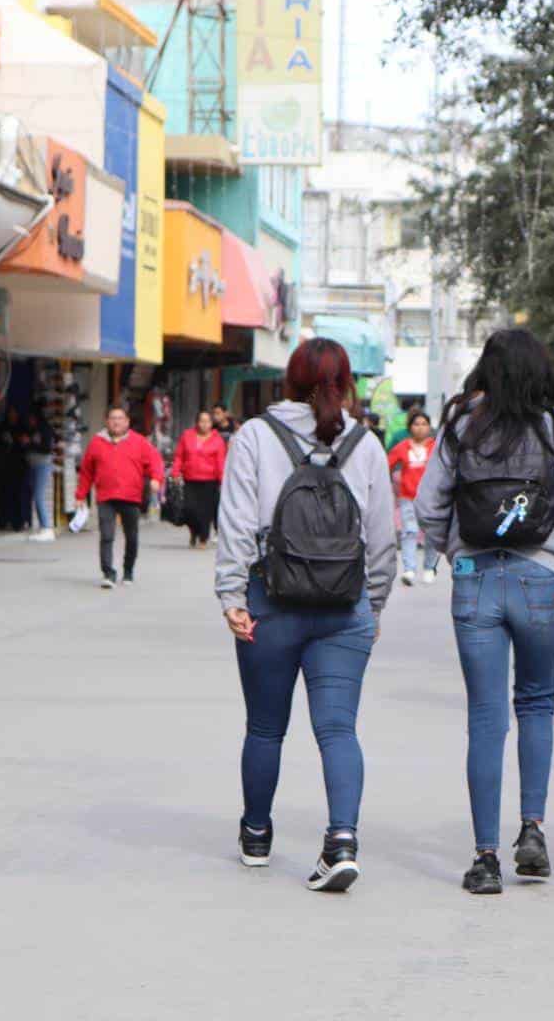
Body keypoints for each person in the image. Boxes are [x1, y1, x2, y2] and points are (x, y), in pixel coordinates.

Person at [416, 328, 554, 896]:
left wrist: (456, 552)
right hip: (541, 578)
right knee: (538, 702)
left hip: (476, 578)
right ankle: (533, 830)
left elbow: (427, 505)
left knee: (486, 716)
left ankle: (485, 858)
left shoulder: (461, 424)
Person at [215, 338, 397, 892]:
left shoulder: (255, 435)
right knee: (338, 728)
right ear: (346, 384)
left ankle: (256, 834)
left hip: (271, 601)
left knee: (265, 727)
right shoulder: (366, 443)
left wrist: (232, 596)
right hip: (345, 607)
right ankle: (341, 841)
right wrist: (374, 602)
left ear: (288, 381)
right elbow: (382, 538)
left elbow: (236, 521)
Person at [75, 405, 164, 588]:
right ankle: (108, 573)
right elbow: (86, 472)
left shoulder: (139, 442)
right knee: (106, 535)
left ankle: (128, 570)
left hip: (131, 496)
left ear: (127, 422)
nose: (116, 422)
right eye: (113, 418)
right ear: (107, 421)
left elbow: (155, 461)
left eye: (120, 418)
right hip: (106, 496)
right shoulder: (97, 442)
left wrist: (156, 478)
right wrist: (80, 495)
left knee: (131, 537)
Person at [388, 408, 439, 585]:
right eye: (416, 424)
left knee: (431, 533)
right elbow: (386, 464)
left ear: (429, 427)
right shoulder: (402, 447)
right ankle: (409, 570)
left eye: (424, 424)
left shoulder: (435, 446)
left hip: (431, 499)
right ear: (410, 427)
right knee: (409, 532)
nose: (420, 427)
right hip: (408, 497)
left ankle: (429, 567)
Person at [171, 410, 228, 547]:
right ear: (197, 422)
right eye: (202, 421)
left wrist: (223, 481)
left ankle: (203, 537)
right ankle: (194, 531)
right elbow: (179, 456)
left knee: (205, 512)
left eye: (207, 421)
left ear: (211, 423)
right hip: (190, 479)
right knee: (190, 508)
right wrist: (175, 472)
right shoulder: (187, 436)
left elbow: (221, 462)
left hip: (210, 481)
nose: (204, 424)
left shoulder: (217, 440)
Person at [23, 408, 56, 542]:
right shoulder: (31, 429)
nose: (30, 421)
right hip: (33, 465)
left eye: (32, 418)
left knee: (39, 496)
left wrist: (30, 443)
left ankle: (46, 528)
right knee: (35, 496)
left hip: (42, 465)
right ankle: (42, 527)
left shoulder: (45, 429)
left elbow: (47, 448)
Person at [0, 406, 28, 531]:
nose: (12, 415)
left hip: (18, 466)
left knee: (17, 494)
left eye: (14, 412)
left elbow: (26, 444)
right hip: (4, 466)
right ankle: (3, 521)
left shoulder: (21, 427)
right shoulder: (2, 427)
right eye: (10, 412)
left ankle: (17, 522)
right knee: (4, 494)